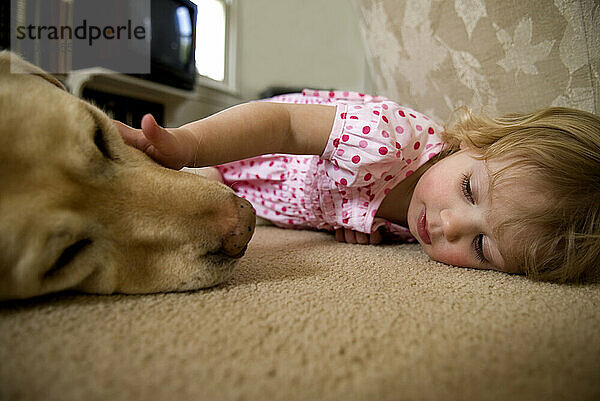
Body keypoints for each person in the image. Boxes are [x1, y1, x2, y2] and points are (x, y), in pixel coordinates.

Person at [115, 89, 600, 283]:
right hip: (250, 149)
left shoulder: (422, 223)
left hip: (265, 203)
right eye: (471, 191)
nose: (449, 224)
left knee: (215, 205)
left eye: (481, 245)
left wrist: (356, 226)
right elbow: (281, 122)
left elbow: (356, 208)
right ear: (480, 141)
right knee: (169, 178)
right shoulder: (389, 138)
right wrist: (192, 143)